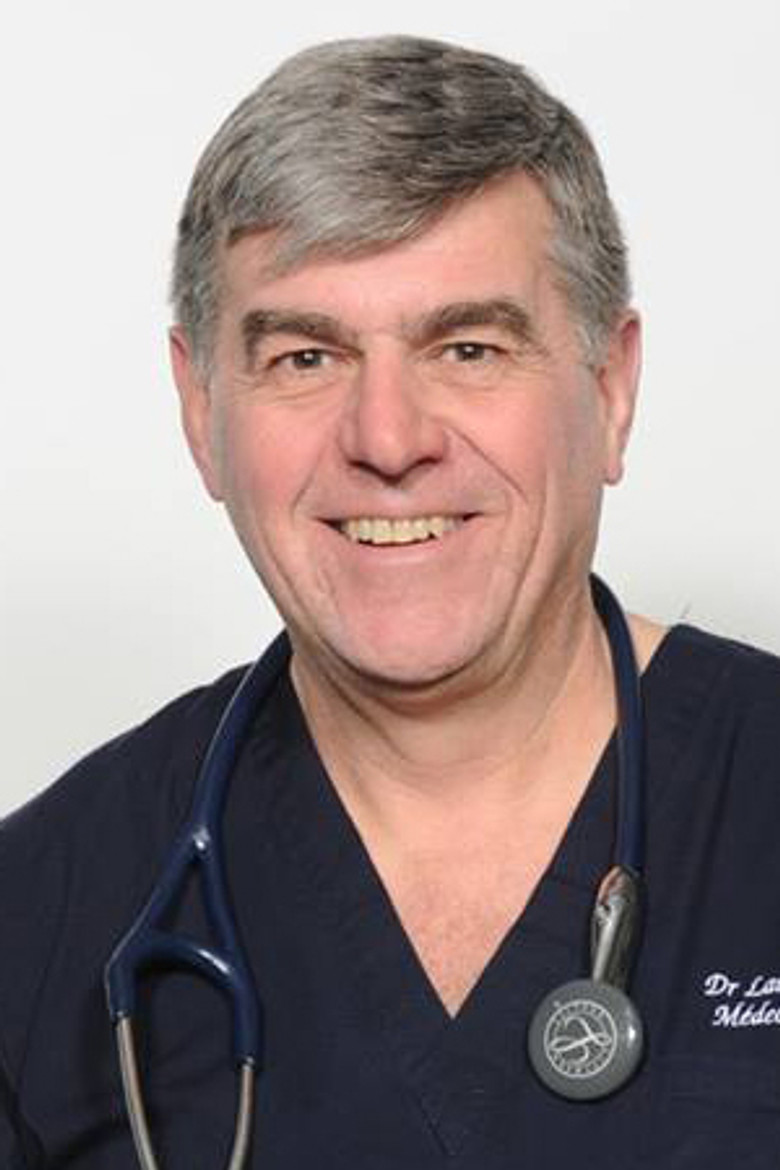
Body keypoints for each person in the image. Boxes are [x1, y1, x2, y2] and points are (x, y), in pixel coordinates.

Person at [2, 33, 780, 1169]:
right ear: (201, 411)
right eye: (305, 359)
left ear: (611, 389)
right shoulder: (41, 913)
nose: (387, 439)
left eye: (468, 347)